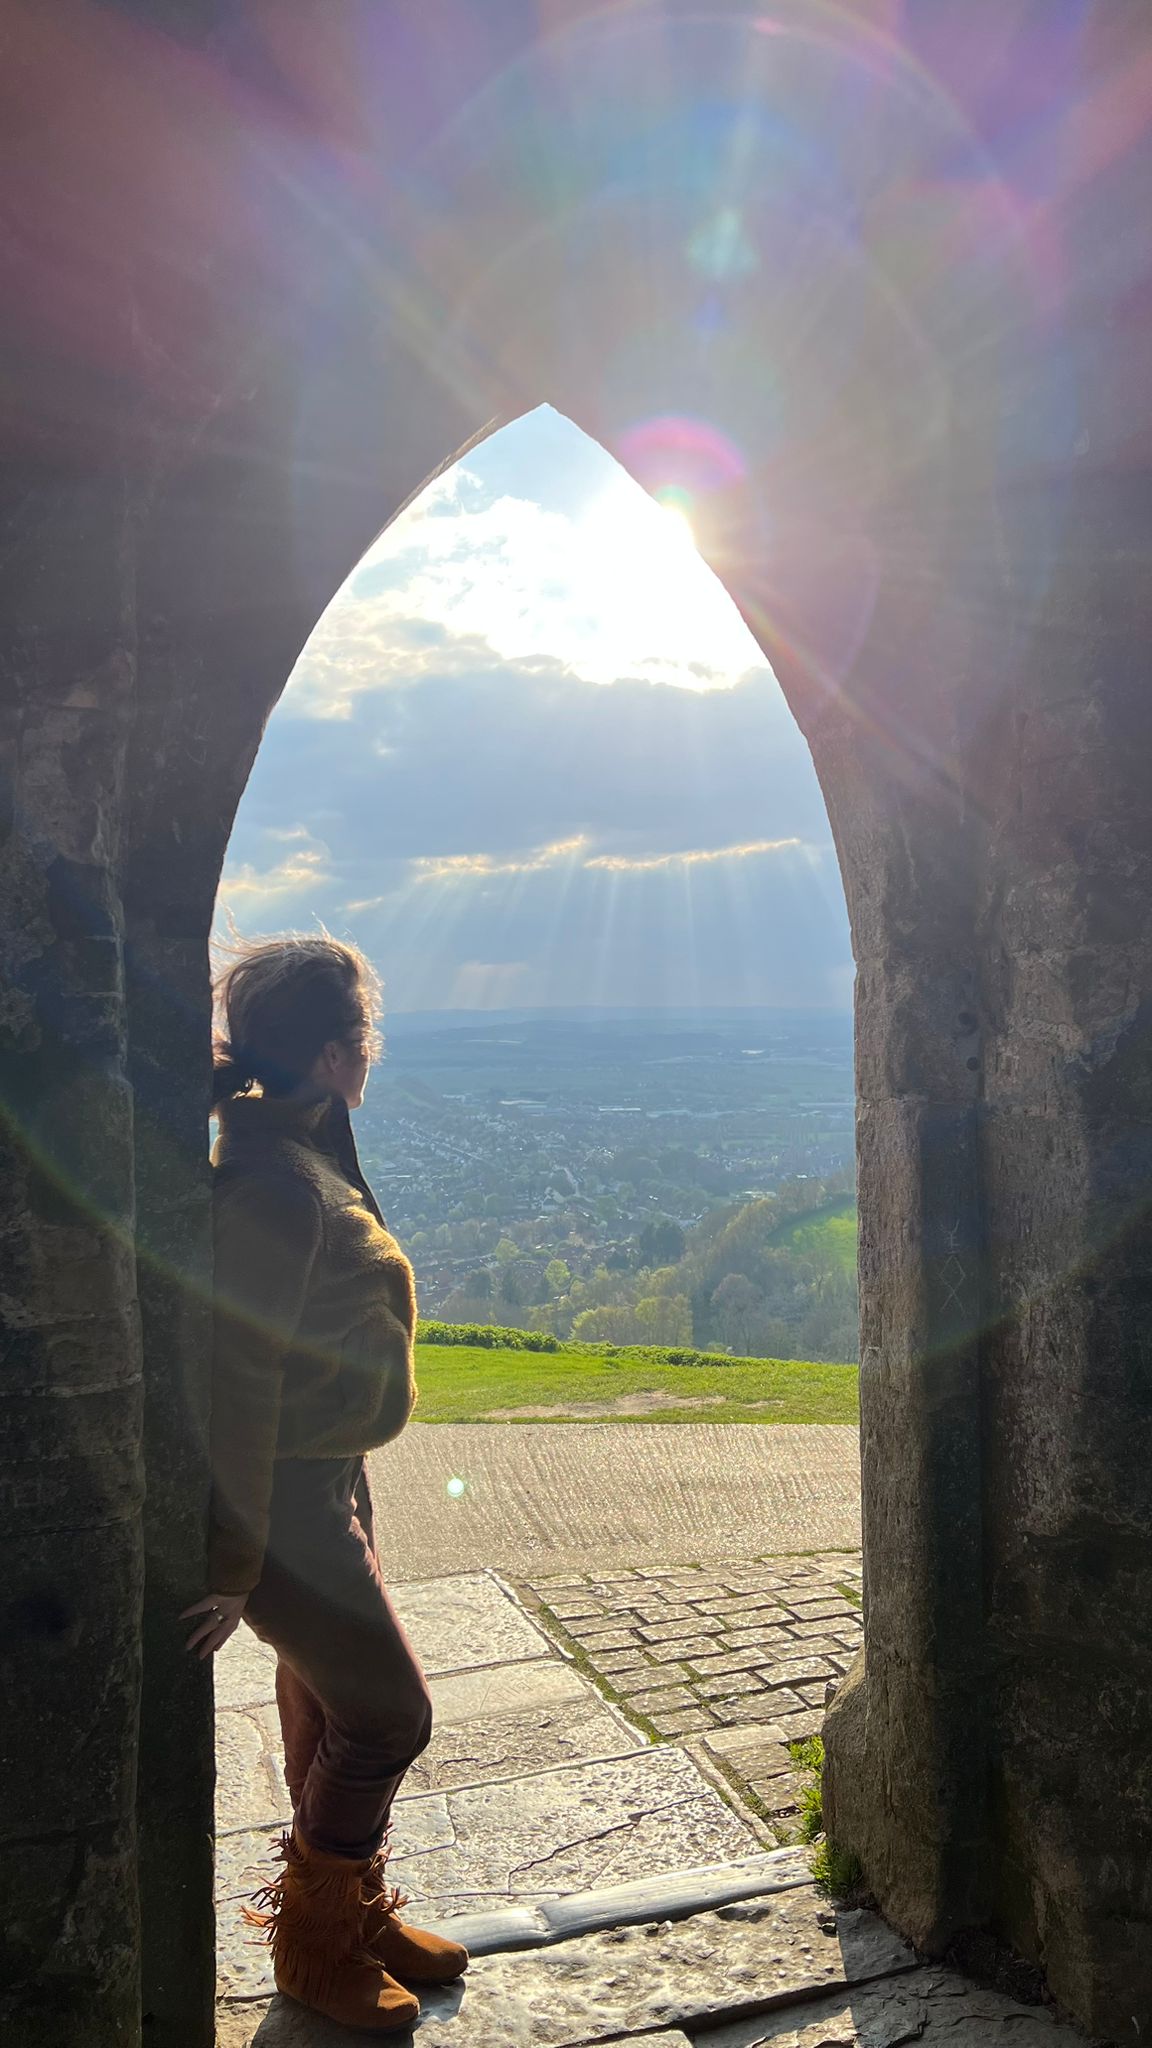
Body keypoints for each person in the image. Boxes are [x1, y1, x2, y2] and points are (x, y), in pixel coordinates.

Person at [182, 933, 467, 2033]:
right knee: (390, 1713)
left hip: (331, 1480)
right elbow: (237, 1381)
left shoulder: (302, 1151)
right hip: (291, 1501)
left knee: (326, 1698)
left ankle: (349, 1912)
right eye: (366, 1035)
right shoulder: (277, 1190)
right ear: (346, 1049)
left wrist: (315, 1094)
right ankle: (310, 1941)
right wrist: (234, 1559)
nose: (375, 1052)